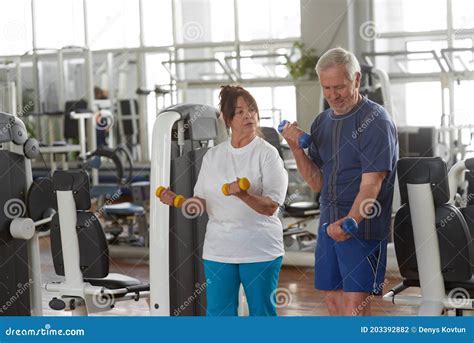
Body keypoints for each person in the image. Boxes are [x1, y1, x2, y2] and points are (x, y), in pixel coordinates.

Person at [281, 47, 398, 316]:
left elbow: (372, 184)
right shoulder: (322, 122)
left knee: (354, 307)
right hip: (327, 223)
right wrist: (297, 149)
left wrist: (352, 221)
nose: (333, 95)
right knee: (333, 304)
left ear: (356, 80)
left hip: (361, 226)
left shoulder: (376, 121)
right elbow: (317, 183)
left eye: (340, 87)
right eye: (327, 88)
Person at [158, 85, 288, 316]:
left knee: (262, 315)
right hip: (219, 250)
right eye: (240, 112)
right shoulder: (214, 156)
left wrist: (244, 195)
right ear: (227, 120)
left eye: (251, 110)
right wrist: (176, 200)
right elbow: (201, 204)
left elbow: (270, 207)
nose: (249, 115)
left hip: (260, 250)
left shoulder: (267, 154)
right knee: (219, 315)